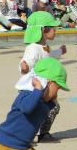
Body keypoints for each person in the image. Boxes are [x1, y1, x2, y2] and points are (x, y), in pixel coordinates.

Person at [18, 11, 66, 142]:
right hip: (35, 86)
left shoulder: (44, 46)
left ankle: (43, 133)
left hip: (45, 84)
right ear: (44, 30)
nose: (55, 31)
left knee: (52, 107)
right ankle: (30, 134)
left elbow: (50, 56)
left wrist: (60, 51)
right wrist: (24, 67)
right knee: (42, 109)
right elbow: (26, 62)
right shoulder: (33, 48)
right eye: (53, 29)